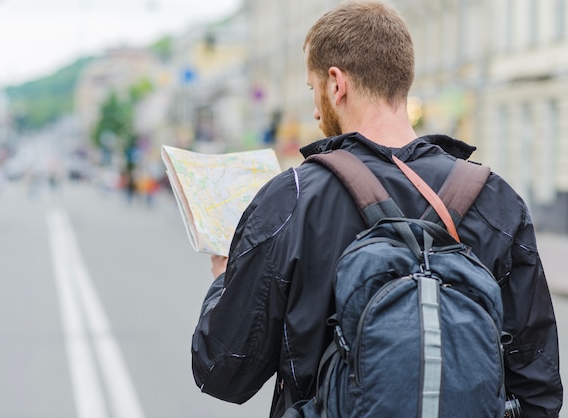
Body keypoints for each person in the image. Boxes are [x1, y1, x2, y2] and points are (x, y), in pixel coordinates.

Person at [191, 1, 563, 417]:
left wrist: (226, 279)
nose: (316, 111)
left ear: (336, 83)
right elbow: (538, 388)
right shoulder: (496, 199)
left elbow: (221, 370)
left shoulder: (293, 197)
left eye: (313, 90)